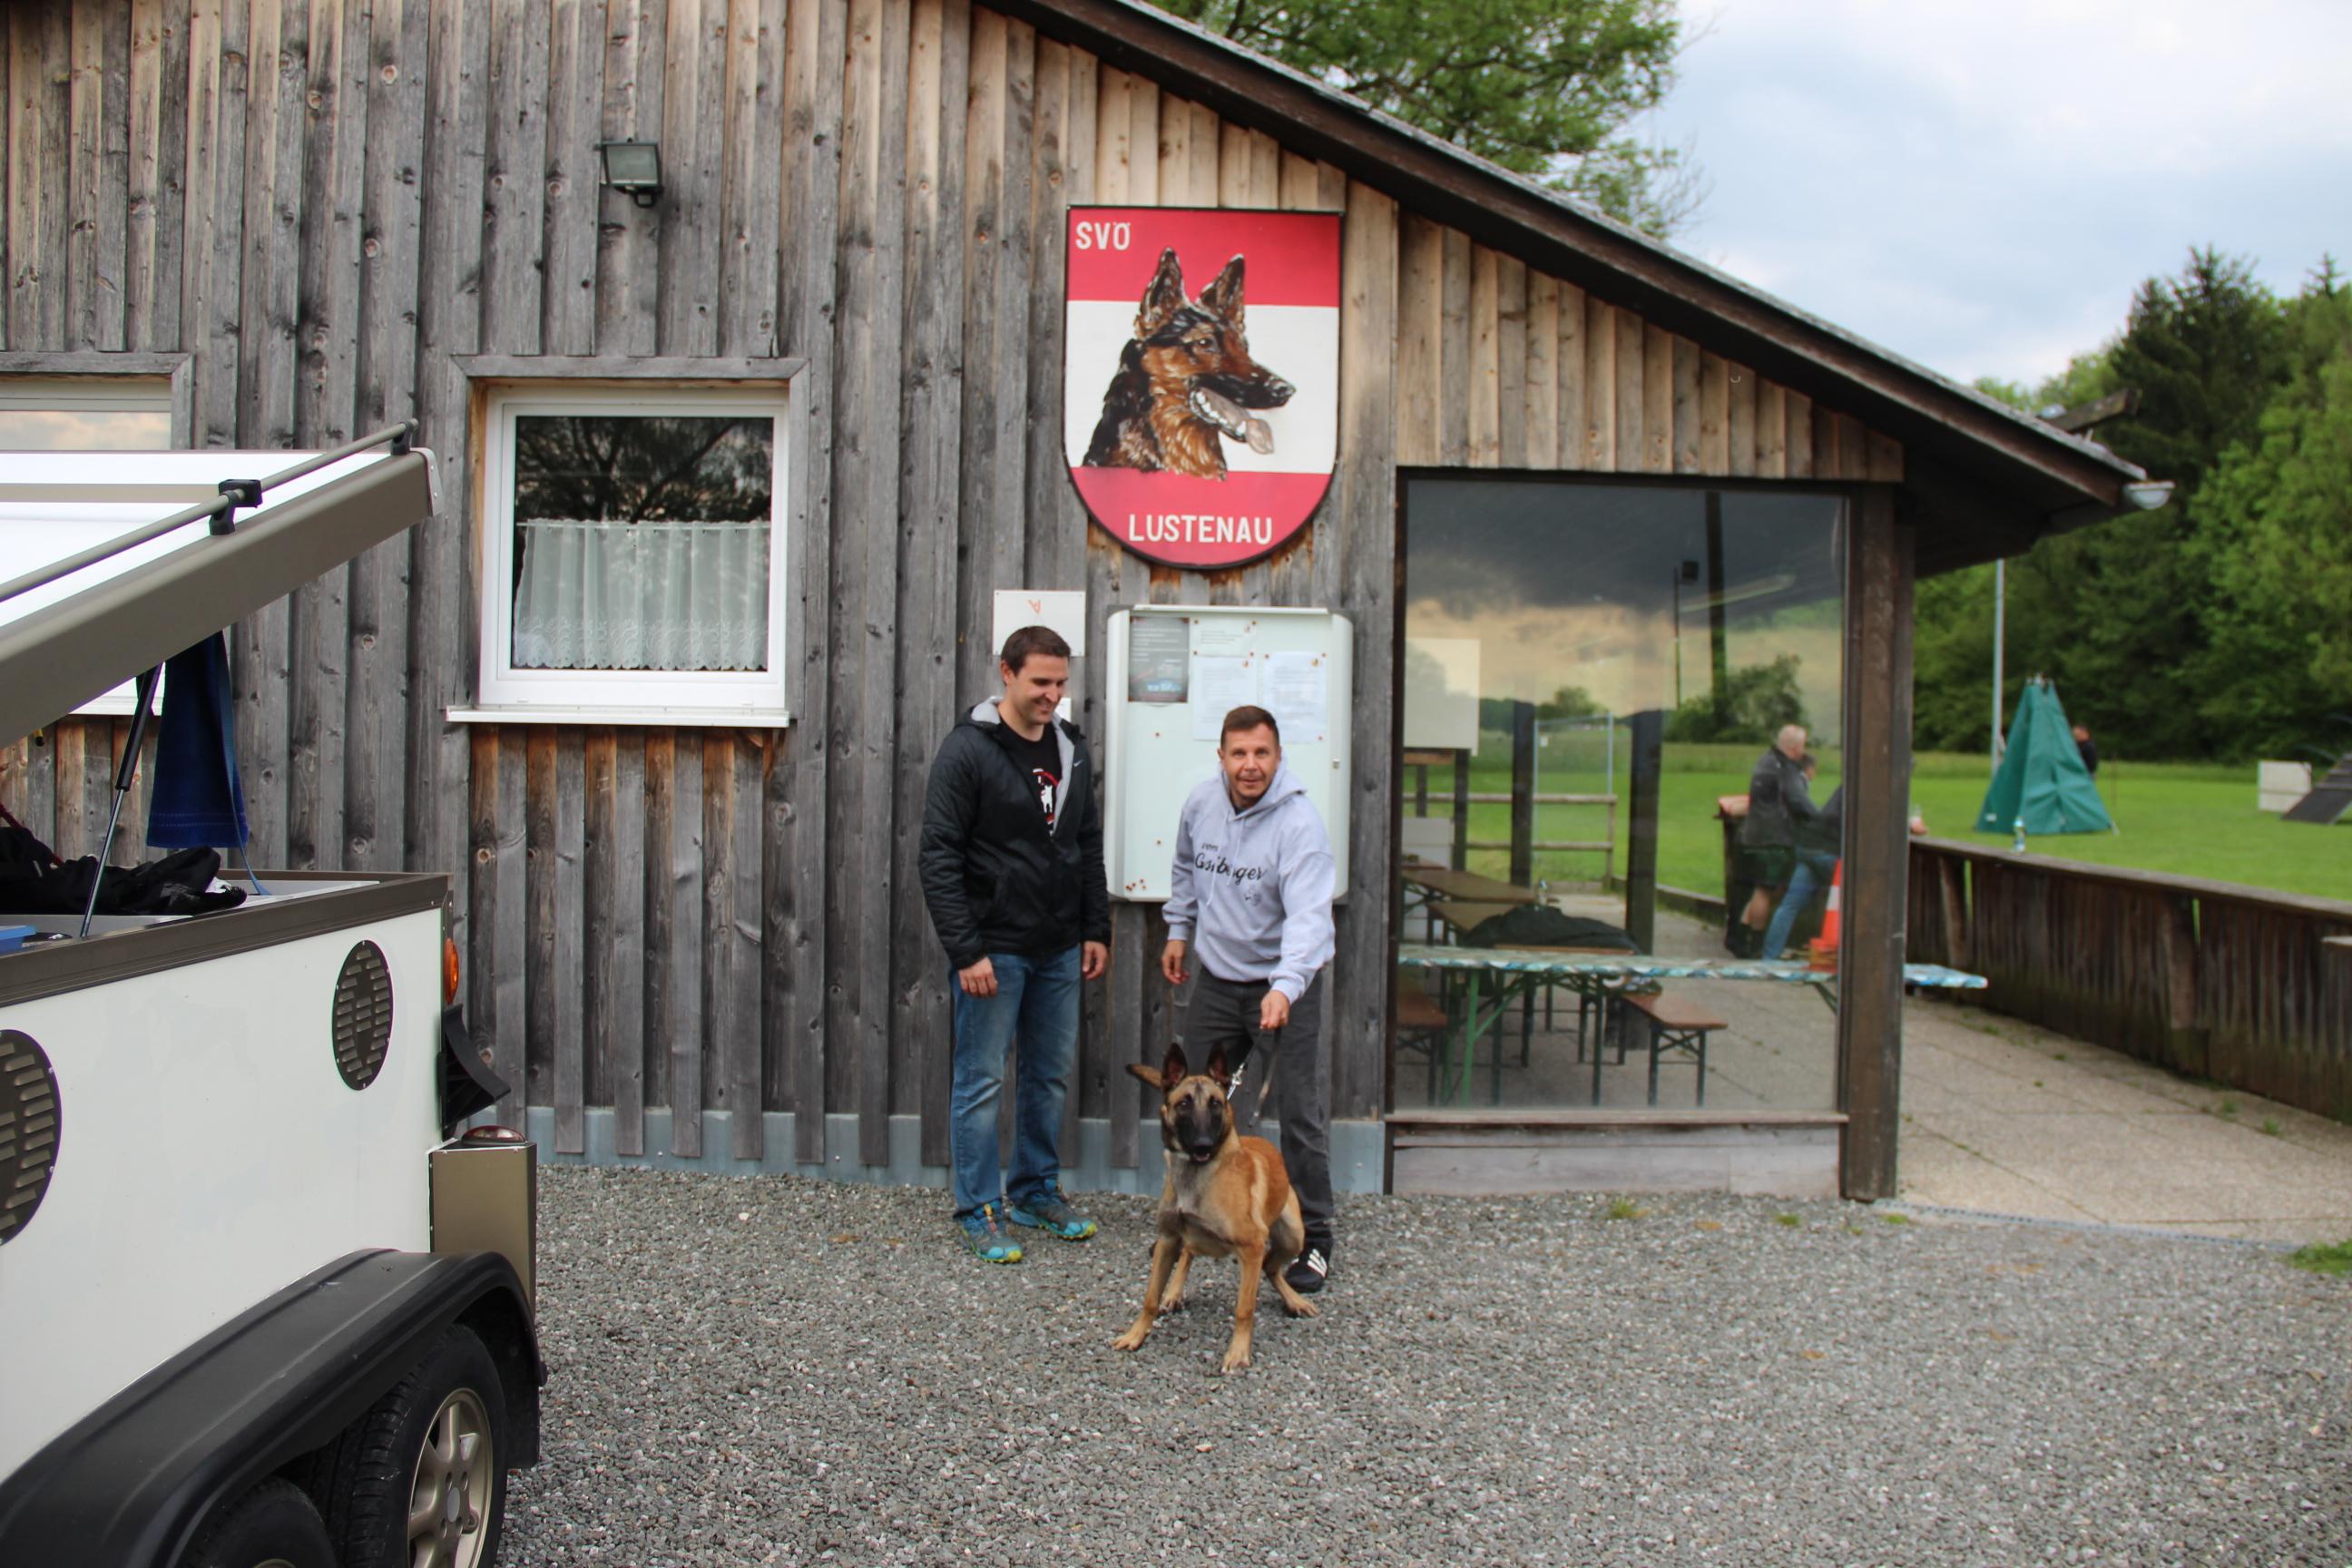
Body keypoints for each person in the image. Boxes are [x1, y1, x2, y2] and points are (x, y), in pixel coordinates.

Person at [918, 626, 1110, 1263]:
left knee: (1048, 1076)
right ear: (1006, 672)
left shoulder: (1070, 748)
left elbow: (1084, 845)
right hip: (992, 950)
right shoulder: (967, 751)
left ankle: (1033, 1191)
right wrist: (966, 951)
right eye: (1040, 683)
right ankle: (978, 1207)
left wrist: (1095, 927)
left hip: (1058, 946)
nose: (1052, 695)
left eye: (1060, 683)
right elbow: (937, 857)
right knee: (980, 1081)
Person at [1160, 705, 1338, 1295]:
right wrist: (1178, 931)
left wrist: (1285, 988)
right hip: (1218, 978)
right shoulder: (1201, 804)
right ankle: (1193, 1220)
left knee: (1300, 1112)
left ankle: (1314, 1239)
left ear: (1279, 756)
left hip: (1285, 984)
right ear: (1222, 757)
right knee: (1197, 1103)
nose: (1250, 765)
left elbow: (1310, 920)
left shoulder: (1300, 824)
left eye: (1262, 753)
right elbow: (1185, 868)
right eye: (1239, 753)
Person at [1733, 723, 1814, 956]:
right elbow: (1798, 801)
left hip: (1753, 835)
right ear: (1795, 747)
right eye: (1802, 745)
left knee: (1761, 889)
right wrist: (1820, 818)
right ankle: (1756, 945)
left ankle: (1741, 938)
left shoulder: (1766, 760)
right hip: (1773, 838)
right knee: (1764, 891)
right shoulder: (1785, 768)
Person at [1762, 770, 1840, 960]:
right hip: (1830, 852)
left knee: (1789, 906)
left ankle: (1769, 959)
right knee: (1855, 900)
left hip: (1808, 848)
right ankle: (1836, 957)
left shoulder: (1846, 788)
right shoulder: (1870, 790)